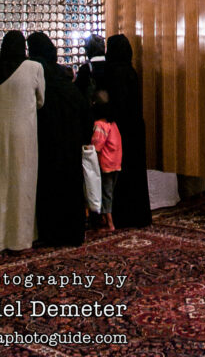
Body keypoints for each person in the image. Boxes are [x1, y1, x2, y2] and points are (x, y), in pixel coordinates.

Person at [0, 30, 45, 253]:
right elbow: (41, 101)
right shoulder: (35, 68)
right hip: (24, 136)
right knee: (22, 185)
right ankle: (21, 240)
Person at [27, 31, 89, 246]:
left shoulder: (36, 74)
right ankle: (72, 233)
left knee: (49, 186)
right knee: (70, 184)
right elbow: (82, 108)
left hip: (47, 141)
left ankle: (50, 234)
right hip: (70, 141)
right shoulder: (63, 77)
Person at [105, 33, 152, 227]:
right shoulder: (131, 71)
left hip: (119, 130)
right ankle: (138, 216)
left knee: (120, 174)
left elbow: (115, 104)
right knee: (136, 174)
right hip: (135, 128)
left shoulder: (113, 72)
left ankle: (123, 216)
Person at [91, 89, 123, 231]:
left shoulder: (100, 125)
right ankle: (106, 218)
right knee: (110, 191)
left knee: (105, 192)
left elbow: (96, 146)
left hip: (105, 162)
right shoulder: (113, 123)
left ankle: (110, 223)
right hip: (116, 162)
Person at [75, 33, 107, 102]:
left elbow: (78, 92)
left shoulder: (86, 68)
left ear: (88, 49)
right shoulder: (112, 65)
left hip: (92, 109)